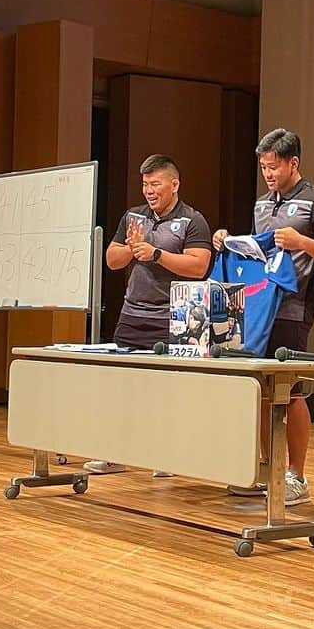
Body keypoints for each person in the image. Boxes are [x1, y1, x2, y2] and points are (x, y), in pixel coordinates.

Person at [213, 128, 314, 505]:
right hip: (258, 311)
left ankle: (296, 476)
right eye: (263, 167)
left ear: (294, 163)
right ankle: (266, 470)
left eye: (274, 167)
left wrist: (303, 242)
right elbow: (260, 255)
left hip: (292, 310)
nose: (268, 174)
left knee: (290, 394)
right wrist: (228, 240)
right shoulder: (261, 205)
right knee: (259, 392)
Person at [84, 154, 212, 475]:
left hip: (173, 318)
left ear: (174, 184)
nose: (149, 191)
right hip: (132, 312)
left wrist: (157, 254)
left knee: (166, 392)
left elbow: (199, 266)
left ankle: (164, 455)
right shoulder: (133, 217)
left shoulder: (192, 220)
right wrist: (132, 249)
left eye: (155, 184)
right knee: (120, 385)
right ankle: (113, 451)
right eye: (145, 184)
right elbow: (112, 259)